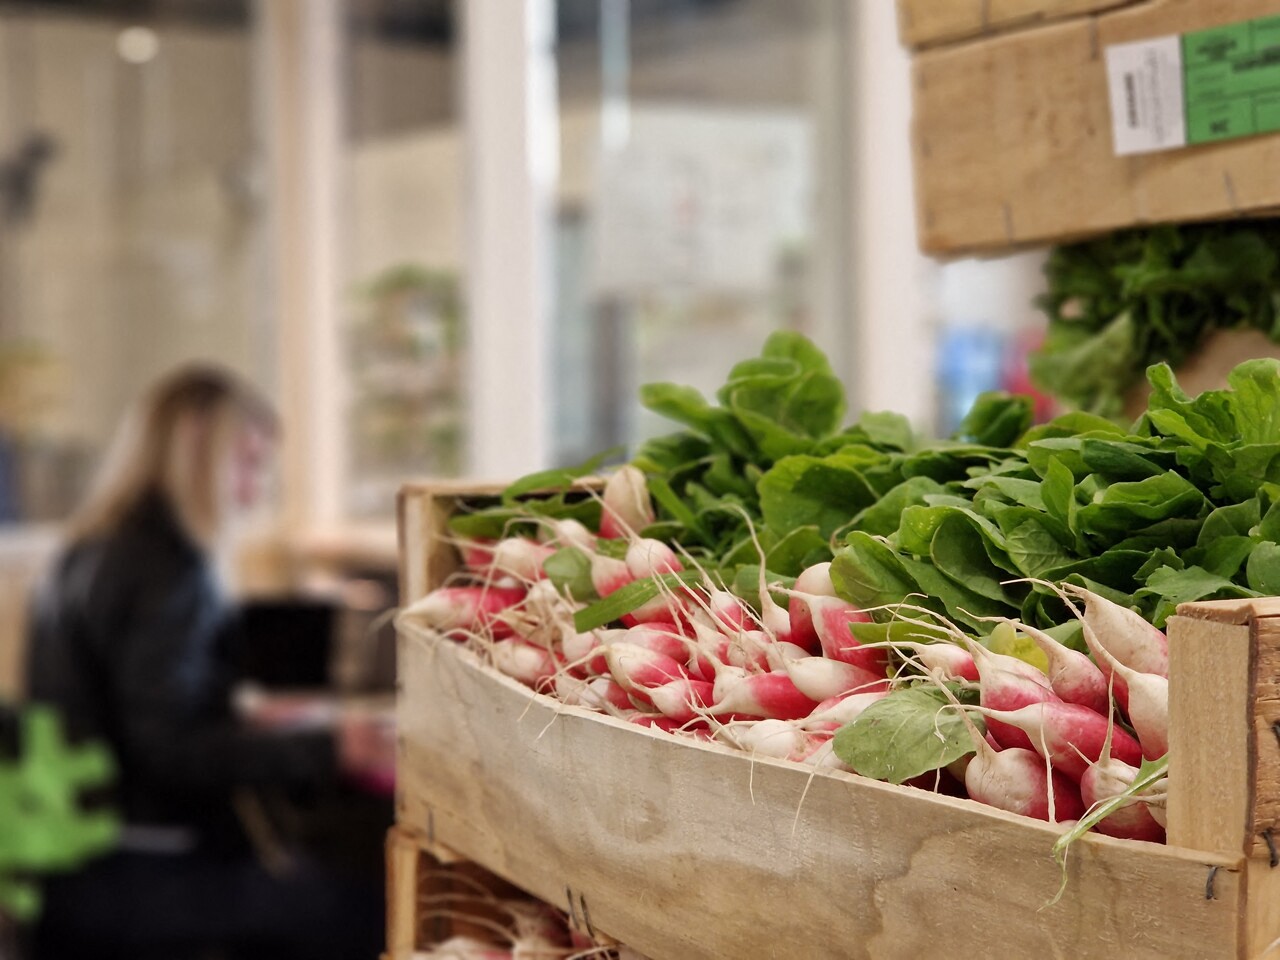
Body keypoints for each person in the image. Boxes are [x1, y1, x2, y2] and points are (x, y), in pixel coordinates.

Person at [25, 364, 389, 960]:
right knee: (362, 909)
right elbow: (168, 752)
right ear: (196, 441)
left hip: (68, 864)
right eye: (246, 463)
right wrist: (332, 748)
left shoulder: (91, 548)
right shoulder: (166, 570)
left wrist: (243, 713)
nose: (250, 492)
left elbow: (135, 708)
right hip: (134, 871)